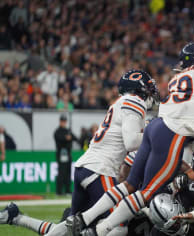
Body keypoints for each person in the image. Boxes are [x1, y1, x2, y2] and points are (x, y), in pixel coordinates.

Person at [69, 42, 194, 236]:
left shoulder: (177, 79)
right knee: (147, 193)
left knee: (129, 185)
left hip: (155, 127)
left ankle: (84, 218)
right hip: (172, 134)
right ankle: (101, 230)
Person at [0, 70, 158, 236]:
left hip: (85, 168)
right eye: (148, 87)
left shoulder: (122, 103)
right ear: (139, 88)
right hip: (101, 169)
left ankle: (16, 217)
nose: (151, 92)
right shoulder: (134, 101)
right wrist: (154, 133)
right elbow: (132, 142)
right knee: (119, 225)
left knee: (73, 226)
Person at [54, 114, 77, 196]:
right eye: (62, 121)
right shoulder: (57, 131)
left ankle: (67, 190)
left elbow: (75, 138)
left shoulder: (68, 131)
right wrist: (66, 138)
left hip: (68, 154)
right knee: (61, 173)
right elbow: (59, 138)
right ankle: (59, 191)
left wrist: (69, 137)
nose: (63, 123)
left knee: (68, 173)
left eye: (64, 121)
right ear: (60, 122)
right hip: (61, 155)